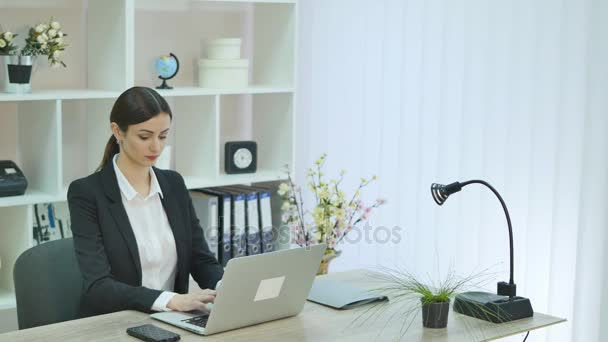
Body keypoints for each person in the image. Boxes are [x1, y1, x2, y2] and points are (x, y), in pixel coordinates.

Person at [67, 86, 223, 317]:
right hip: (114, 323)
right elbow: (99, 287)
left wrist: (225, 288)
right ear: (118, 131)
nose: (156, 147)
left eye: (163, 136)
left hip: (173, 321)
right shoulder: (87, 193)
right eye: (144, 136)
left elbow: (200, 258)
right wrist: (170, 301)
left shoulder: (174, 184)